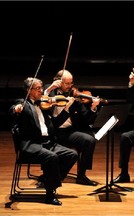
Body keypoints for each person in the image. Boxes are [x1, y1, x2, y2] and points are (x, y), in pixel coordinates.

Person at [9, 77, 78, 205]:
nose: (42, 91)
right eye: (38, 89)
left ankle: (47, 181)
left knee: (72, 155)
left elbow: (56, 124)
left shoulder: (44, 105)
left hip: (48, 143)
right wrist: (16, 109)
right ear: (29, 91)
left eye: (41, 88)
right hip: (32, 144)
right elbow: (14, 109)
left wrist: (66, 110)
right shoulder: (24, 104)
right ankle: (49, 194)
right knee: (51, 158)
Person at [44, 69, 100, 186]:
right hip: (52, 132)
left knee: (89, 140)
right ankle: (49, 174)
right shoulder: (49, 91)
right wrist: (49, 90)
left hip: (68, 132)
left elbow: (86, 119)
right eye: (67, 83)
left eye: (71, 83)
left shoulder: (73, 95)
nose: (70, 86)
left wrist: (93, 108)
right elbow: (41, 101)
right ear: (58, 81)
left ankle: (82, 175)